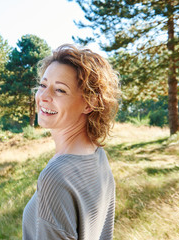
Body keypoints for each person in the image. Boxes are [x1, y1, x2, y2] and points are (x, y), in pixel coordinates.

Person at [22, 44, 120, 240]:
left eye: (60, 90)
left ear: (89, 103)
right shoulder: (97, 155)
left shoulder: (56, 176)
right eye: (43, 85)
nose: (43, 97)